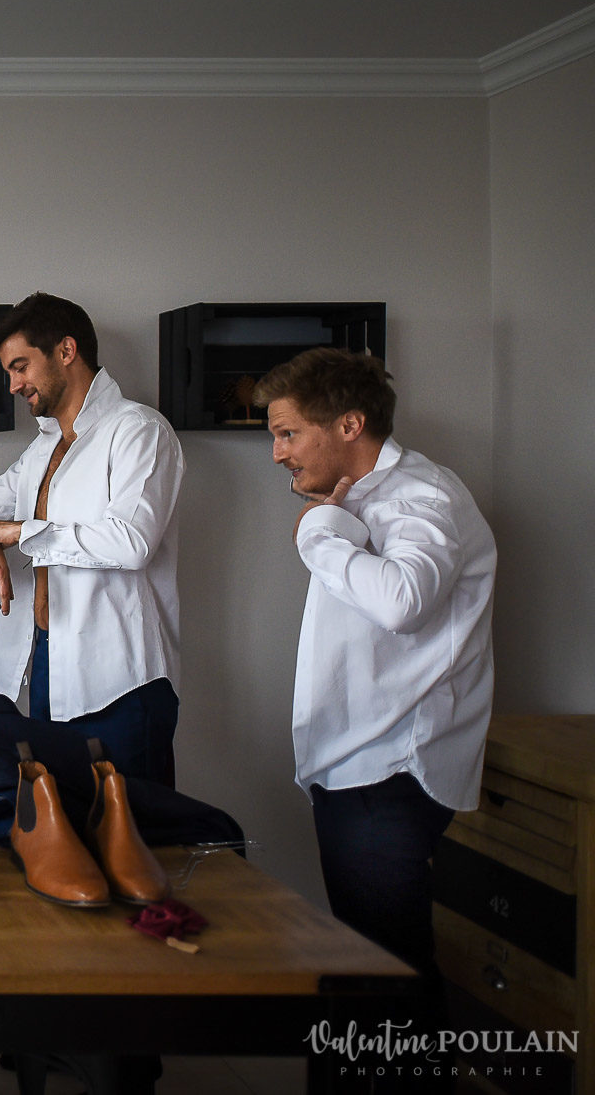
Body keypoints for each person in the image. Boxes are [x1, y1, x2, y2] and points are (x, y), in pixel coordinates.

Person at [256, 347, 495, 997]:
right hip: (356, 767)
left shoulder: (422, 495)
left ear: (349, 426)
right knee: (364, 968)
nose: (278, 453)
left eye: (287, 433)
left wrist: (319, 536)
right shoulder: (359, 496)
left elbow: (402, 601)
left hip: (390, 770)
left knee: (388, 977)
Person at [0, 292, 184, 786]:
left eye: (21, 366)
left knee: (138, 842)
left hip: (123, 677)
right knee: (61, 834)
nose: (13, 385)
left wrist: (16, 532)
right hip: (47, 664)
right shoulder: (43, 447)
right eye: (9, 372)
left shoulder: (138, 431)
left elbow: (131, 541)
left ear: (66, 351)